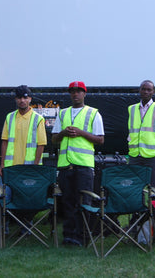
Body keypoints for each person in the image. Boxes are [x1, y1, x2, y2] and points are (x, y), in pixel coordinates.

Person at [0, 85, 47, 237]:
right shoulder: (10, 117)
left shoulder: (38, 119)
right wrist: (1, 164)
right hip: (10, 168)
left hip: (29, 168)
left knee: (27, 200)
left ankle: (26, 229)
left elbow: (41, 145)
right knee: (3, 198)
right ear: (15, 99)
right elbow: (5, 141)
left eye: (25, 97)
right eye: (19, 97)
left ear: (30, 99)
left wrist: (35, 166)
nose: (22, 100)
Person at [52, 81, 104, 246]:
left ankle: (82, 237)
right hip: (65, 166)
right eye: (72, 92)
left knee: (84, 203)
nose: (75, 94)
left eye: (79, 91)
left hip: (84, 166)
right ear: (70, 94)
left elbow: (100, 139)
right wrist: (63, 133)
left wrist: (80, 133)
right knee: (67, 202)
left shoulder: (93, 113)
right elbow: (54, 139)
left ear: (84, 94)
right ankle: (69, 236)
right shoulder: (62, 113)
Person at [127, 80, 155, 231]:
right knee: (134, 191)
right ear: (139, 90)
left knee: (154, 192)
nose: (145, 92)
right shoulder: (132, 109)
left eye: (149, 90)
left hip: (152, 157)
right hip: (135, 156)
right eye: (143, 89)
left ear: (153, 92)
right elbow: (131, 132)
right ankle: (135, 223)